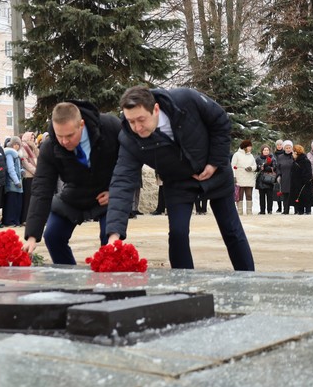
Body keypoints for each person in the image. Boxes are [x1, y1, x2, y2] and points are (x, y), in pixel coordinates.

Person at [106, 86, 255, 271]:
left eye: (141, 120)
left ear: (156, 109)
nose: (136, 127)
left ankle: (248, 277)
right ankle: (184, 286)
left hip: (215, 172)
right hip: (177, 181)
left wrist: (215, 162)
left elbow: (220, 121)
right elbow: (122, 182)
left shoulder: (186, 100)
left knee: (231, 230)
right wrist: (114, 234)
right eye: (131, 121)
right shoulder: (129, 140)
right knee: (178, 234)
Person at [24, 101, 121, 265]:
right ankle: (68, 280)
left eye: (69, 135)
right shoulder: (50, 147)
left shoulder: (110, 127)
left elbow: (130, 162)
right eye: (59, 135)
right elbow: (42, 189)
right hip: (74, 194)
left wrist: (116, 191)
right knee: (53, 236)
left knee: (108, 238)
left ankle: (109, 283)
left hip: (107, 194)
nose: (64, 142)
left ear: (81, 125)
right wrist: (32, 236)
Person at [231, 139, 257, 215]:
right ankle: (240, 211)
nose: (250, 148)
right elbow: (233, 166)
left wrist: (251, 168)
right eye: (249, 146)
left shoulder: (251, 155)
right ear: (245, 147)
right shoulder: (237, 155)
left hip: (249, 178)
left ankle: (249, 211)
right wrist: (234, 176)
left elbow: (254, 165)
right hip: (240, 177)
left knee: (249, 195)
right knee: (240, 195)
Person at [3, 136, 24, 226]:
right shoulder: (10, 153)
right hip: (12, 182)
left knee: (18, 203)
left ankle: (16, 220)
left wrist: (22, 171)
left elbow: (18, 167)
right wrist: (16, 181)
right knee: (11, 203)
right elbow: (10, 168)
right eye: (15, 144)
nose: (16, 146)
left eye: (18, 144)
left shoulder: (17, 154)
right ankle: (9, 221)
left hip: (18, 181)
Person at [19, 131, 38, 225]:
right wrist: (35, 171)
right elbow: (25, 162)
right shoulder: (23, 147)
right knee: (27, 199)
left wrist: (34, 146)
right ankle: (25, 218)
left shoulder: (33, 148)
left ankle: (32, 218)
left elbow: (40, 157)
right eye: (31, 138)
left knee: (34, 199)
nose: (32, 140)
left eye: (33, 138)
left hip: (35, 176)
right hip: (28, 176)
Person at [290, 144, 313, 214]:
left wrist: (304, 181)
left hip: (304, 184)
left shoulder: (305, 161)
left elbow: (308, 173)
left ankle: (307, 211)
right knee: (300, 197)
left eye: (293, 152)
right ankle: (300, 210)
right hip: (298, 183)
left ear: (296, 152)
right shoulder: (295, 161)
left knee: (305, 197)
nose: (292, 154)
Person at [255, 145, 278, 214]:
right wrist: (259, 167)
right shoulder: (258, 158)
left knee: (269, 196)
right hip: (261, 179)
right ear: (262, 151)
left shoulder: (272, 158)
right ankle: (262, 210)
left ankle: (269, 210)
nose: (266, 151)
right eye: (264, 150)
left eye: (267, 150)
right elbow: (256, 168)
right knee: (261, 196)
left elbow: (274, 168)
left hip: (269, 179)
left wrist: (265, 167)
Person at [273, 140, 294, 215]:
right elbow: (278, 167)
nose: (288, 149)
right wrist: (278, 175)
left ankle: (296, 209)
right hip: (284, 177)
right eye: (287, 148)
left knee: (294, 194)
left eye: (289, 148)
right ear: (284, 148)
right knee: (285, 194)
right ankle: (285, 210)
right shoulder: (280, 157)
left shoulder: (294, 156)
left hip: (293, 177)